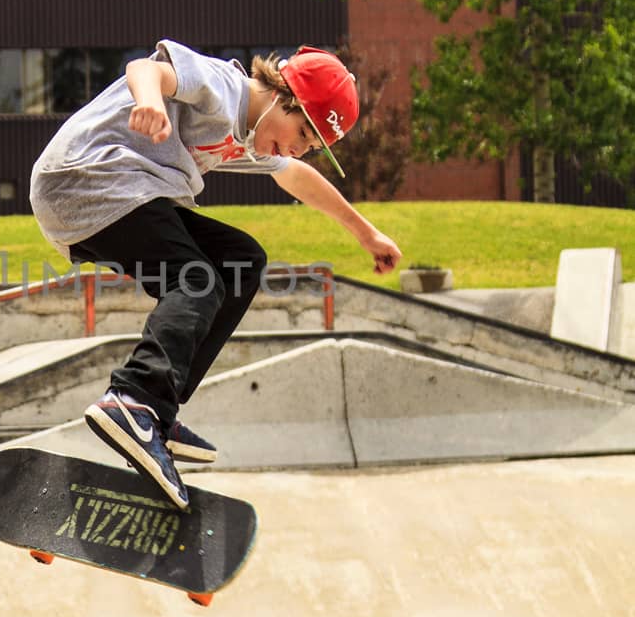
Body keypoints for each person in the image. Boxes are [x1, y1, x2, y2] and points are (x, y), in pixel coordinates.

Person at [29, 40, 402, 509]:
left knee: (242, 261)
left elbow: (294, 177)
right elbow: (147, 68)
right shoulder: (224, 88)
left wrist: (366, 233)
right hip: (85, 180)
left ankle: (156, 411)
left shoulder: (253, 135)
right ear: (285, 96)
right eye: (303, 137)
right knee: (195, 279)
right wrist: (148, 103)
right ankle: (134, 399)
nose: (297, 151)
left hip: (120, 194)